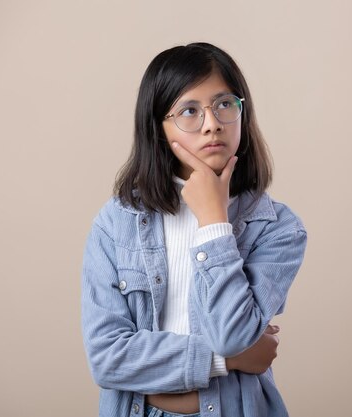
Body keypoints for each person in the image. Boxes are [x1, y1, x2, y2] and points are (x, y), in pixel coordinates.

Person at [81, 42, 307, 417]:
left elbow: (232, 334)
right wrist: (226, 361)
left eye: (224, 104)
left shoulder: (278, 228)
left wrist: (214, 221)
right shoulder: (116, 223)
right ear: (158, 128)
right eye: (189, 111)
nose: (212, 123)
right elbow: (107, 360)